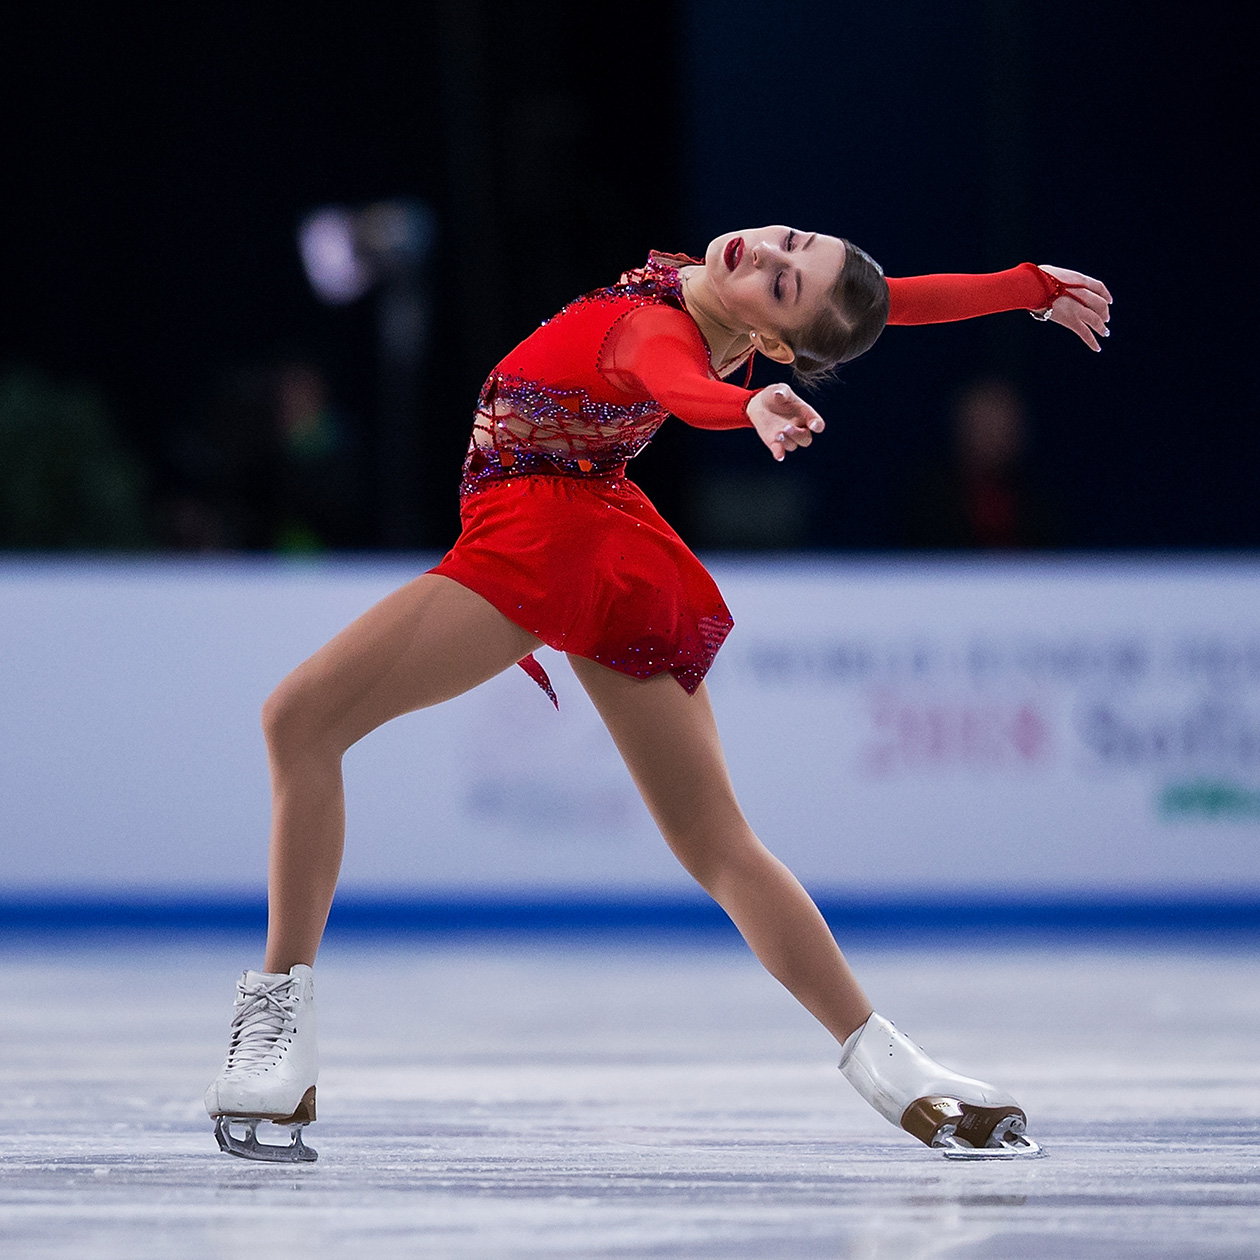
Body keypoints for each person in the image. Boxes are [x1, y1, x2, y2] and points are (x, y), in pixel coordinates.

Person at [204, 227, 1111, 1162]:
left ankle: (278, 1027)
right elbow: (894, 298)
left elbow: (671, 377)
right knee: (717, 843)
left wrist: (741, 406)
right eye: (784, 242)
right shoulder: (723, 305)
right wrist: (1024, 284)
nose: (760, 256)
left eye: (783, 282)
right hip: (596, 531)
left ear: (775, 345)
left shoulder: (660, 327)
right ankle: (896, 1072)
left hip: (540, 536)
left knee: (299, 720)